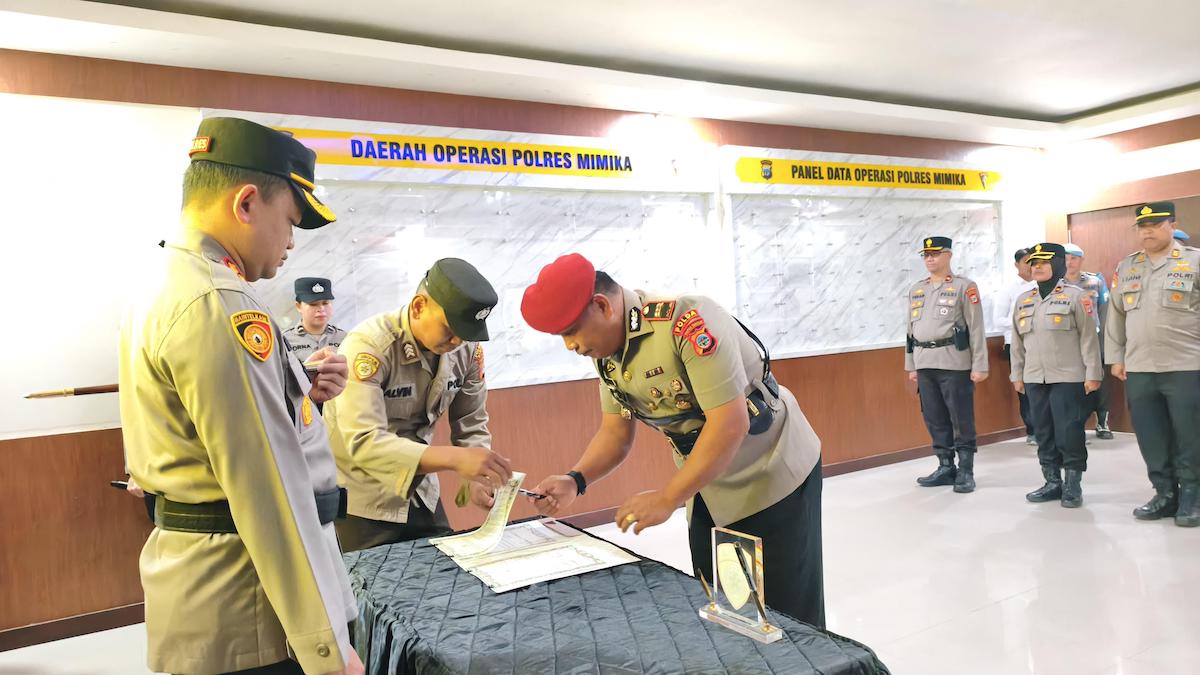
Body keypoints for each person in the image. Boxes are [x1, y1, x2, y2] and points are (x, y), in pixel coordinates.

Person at [119, 117, 364, 674]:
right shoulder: (218, 301)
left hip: (220, 588)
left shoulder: (168, 281)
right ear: (247, 203)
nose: (292, 242)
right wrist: (326, 648)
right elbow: (268, 488)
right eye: (290, 221)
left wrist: (300, 393)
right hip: (252, 605)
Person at [520, 253, 825, 627]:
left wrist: (667, 497)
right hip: (706, 483)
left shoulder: (686, 322)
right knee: (726, 602)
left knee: (784, 612)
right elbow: (616, 432)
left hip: (770, 471)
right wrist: (575, 479)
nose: (570, 345)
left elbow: (730, 424)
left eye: (570, 332)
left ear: (602, 306)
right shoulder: (607, 353)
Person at [324, 258, 512, 551]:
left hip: (421, 491)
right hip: (362, 499)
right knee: (371, 579)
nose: (457, 341)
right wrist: (456, 459)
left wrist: (478, 477)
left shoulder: (467, 349)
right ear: (418, 307)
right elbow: (364, 441)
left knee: (447, 570)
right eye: (449, 329)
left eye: (465, 333)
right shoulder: (370, 346)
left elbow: (471, 421)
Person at [1106, 202, 1200, 527]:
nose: (1147, 232)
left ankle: (1192, 496)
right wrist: (1115, 357)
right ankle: (1164, 493)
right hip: (1140, 367)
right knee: (1150, 435)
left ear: (1172, 225)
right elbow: (1116, 315)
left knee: (1190, 435)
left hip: (1187, 364)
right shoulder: (1127, 266)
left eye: (1155, 225)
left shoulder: (1194, 261)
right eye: (1142, 227)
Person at [1010, 244, 1103, 507]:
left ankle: (1072, 485)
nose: (1037, 266)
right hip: (1034, 377)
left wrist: (1093, 373)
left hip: (1068, 377)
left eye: (1044, 262)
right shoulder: (1023, 299)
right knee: (1043, 431)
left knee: (1069, 431)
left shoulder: (1077, 297)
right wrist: (1017, 374)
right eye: (1033, 262)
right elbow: (1017, 343)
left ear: (1059, 264)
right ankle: (1052, 482)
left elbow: (1089, 338)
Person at [905, 236, 989, 493]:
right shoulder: (917, 289)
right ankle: (945, 466)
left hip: (954, 361)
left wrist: (980, 365)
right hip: (925, 362)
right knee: (934, 417)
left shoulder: (964, 286)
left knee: (961, 418)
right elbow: (909, 330)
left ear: (948, 255)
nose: (929, 259)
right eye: (926, 255)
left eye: (935, 254)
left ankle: (966, 470)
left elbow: (976, 328)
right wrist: (911, 365)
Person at [1062, 243, 1113, 439]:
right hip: (1067, 342)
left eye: (1073, 258)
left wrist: (1105, 342)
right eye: (1065, 259)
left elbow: (1105, 311)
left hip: (1094, 339)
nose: (1069, 262)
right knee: (1073, 384)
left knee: (1099, 381)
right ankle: (1076, 427)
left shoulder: (1095, 281)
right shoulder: (1056, 283)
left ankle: (1102, 423)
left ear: (1081, 260)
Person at [994, 247, 1037, 445]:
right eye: (1027, 261)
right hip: (1016, 345)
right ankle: (1032, 431)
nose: (1031, 266)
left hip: (1040, 344)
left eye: (1034, 261)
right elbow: (998, 320)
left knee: (1042, 388)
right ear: (1016, 265)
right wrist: (1023, 322)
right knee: (1024, 390)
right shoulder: (1008, 289)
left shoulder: (1042, 285)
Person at [286, 276, 347, 364]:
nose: (321, 308)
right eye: (313, 304)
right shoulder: (285, 340)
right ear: (299, 306)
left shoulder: (345, 338)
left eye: (325, 303)